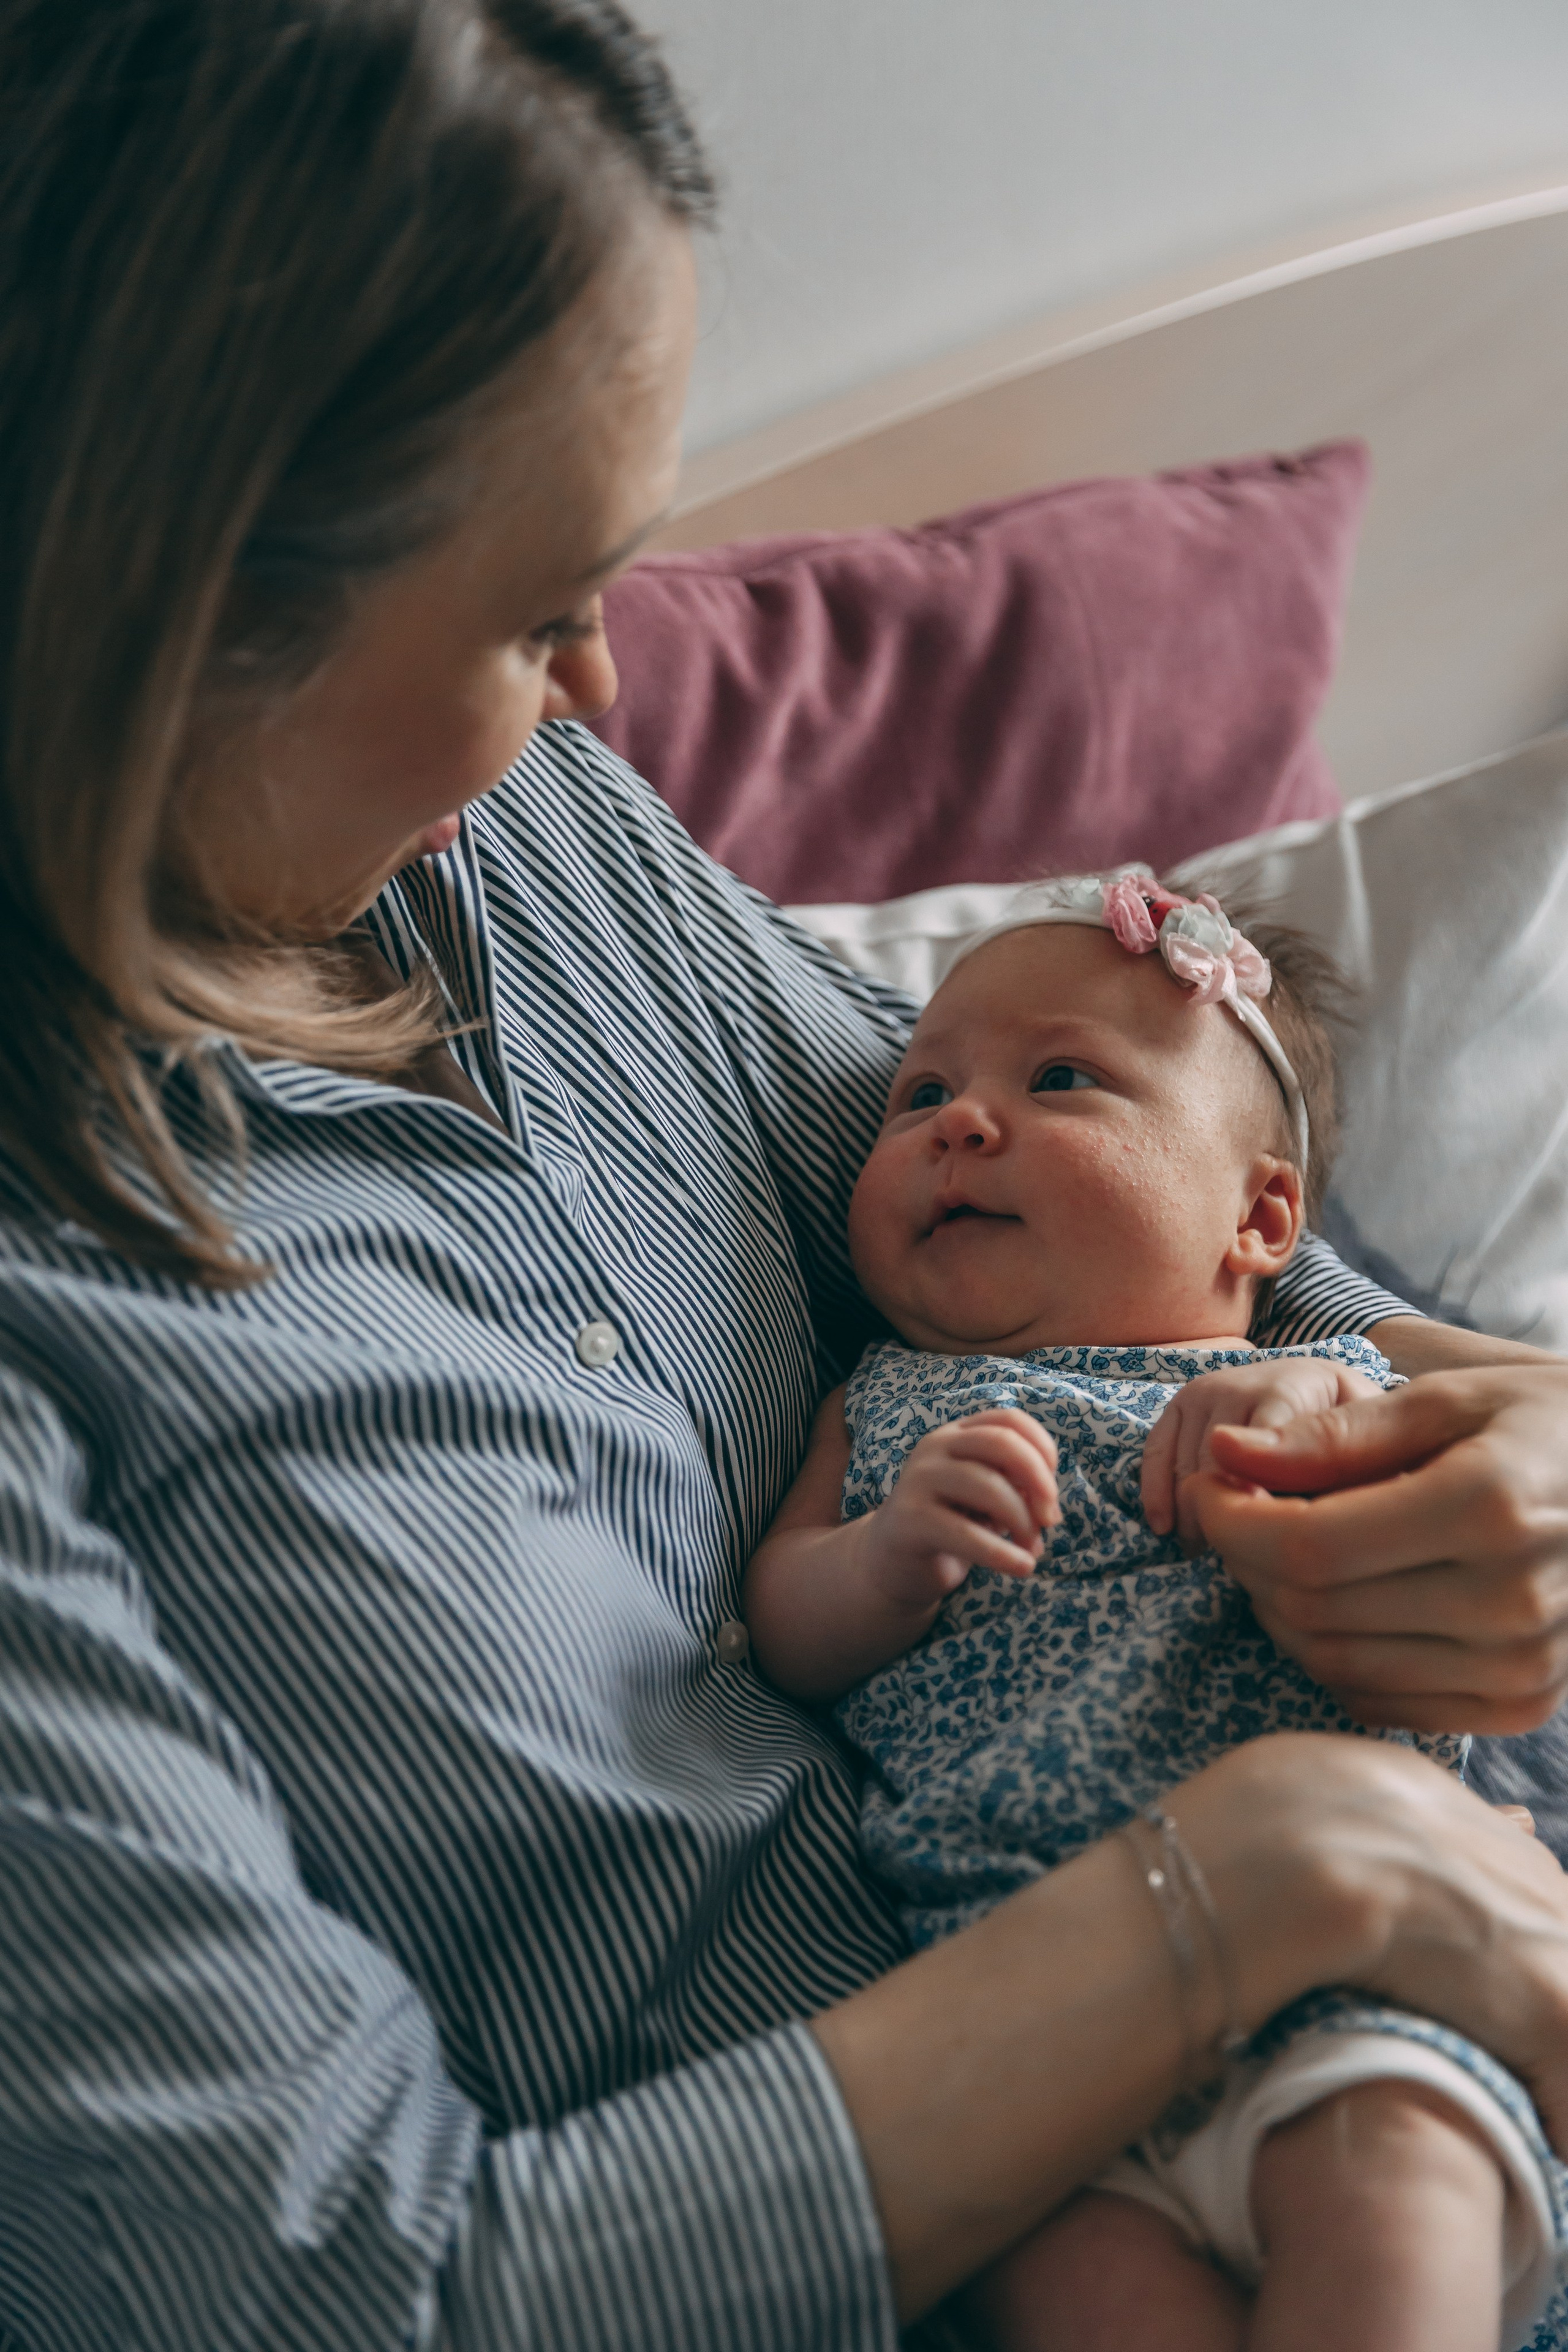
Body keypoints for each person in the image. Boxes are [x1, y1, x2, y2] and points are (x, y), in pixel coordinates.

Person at [5, 7, 1568, 2350]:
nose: (611, 695)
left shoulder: (514, 834)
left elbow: (1088, 1200)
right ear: (179, 597)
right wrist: (1238, 1892)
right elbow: (330, 2291)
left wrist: (1505, 1422)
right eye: (536, 613)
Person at [744, 872, 1567, 2350]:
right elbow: (784, 1624)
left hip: (1355, 1985)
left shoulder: (1330, 1396)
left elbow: (1435, 1545)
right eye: (916, 1092)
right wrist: (885, 1558)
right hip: (1032, 1996)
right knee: (1068, 2293)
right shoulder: (873, 1412)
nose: (959, 1120)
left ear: (1259, 1219)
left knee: (1393, 2207)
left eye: (1059, 1080)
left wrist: (1301, 1407)